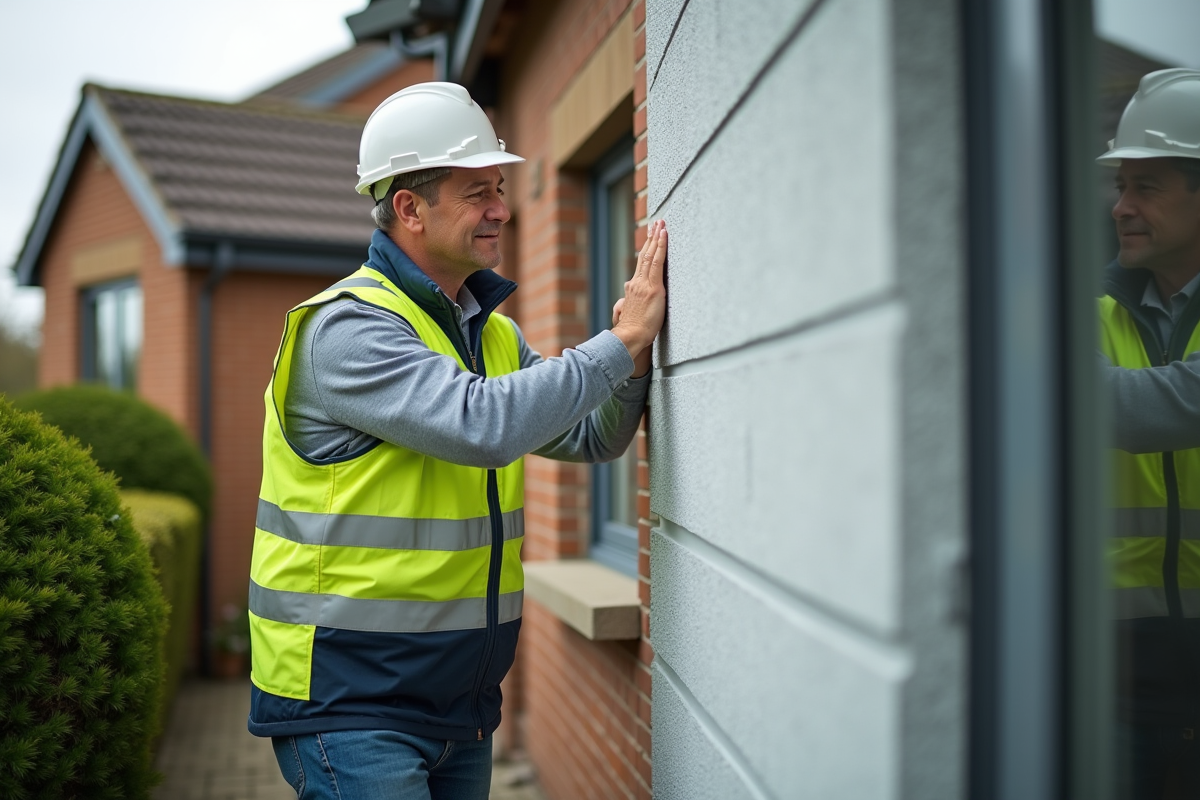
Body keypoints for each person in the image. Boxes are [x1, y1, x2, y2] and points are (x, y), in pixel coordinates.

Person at [244, 82, 667, 800]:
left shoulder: (490, 334)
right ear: (409, 208)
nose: (500, 209)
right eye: (477, 192)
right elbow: (485, 425)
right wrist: (618, 344)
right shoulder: (347, 330)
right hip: (351, 703)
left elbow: (594, 436)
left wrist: (636, 354)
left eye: (498, 188)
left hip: (459, 706)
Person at [1095, 67, 1200, 799]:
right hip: (1109, 674)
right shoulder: (1088, 307)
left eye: (1147, 188)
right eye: (1120, 187)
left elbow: (1139, 409)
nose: (1121, 208)